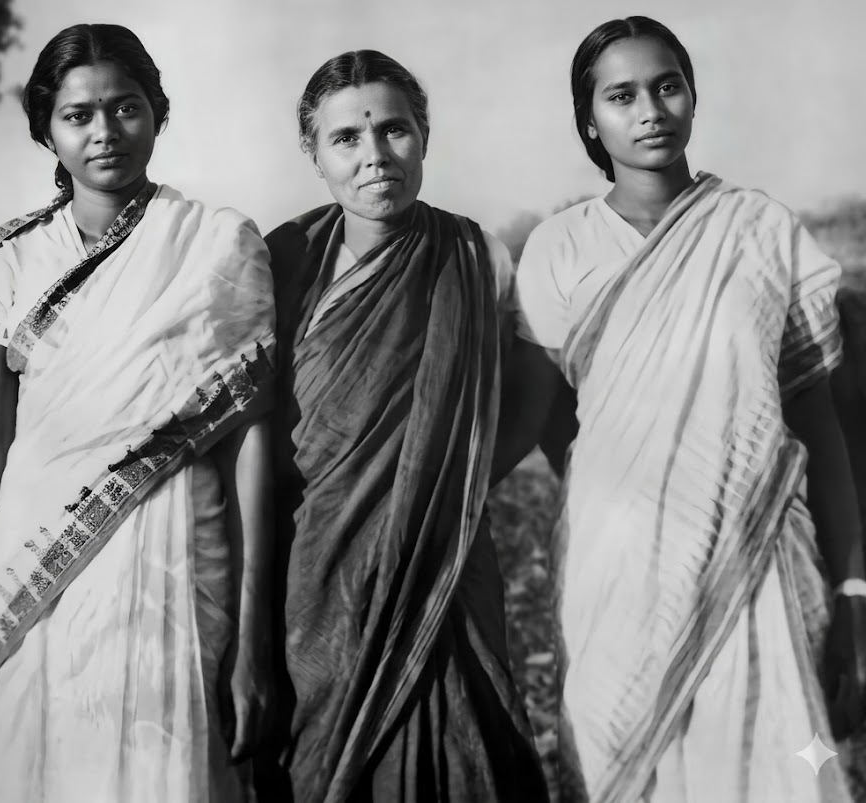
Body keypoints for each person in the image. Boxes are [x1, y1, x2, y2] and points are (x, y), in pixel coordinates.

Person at [0, 23, 275, 802]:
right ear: (47, 130)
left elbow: (248, 442)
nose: (105, 133)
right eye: (79, 115)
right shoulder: (11, 264)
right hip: (30, 571)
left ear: (157, 114)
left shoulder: (217, 245)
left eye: (126, 108)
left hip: (172, 562)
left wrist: (253, 638)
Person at [515, 16, 866, 802]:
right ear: (590, 119)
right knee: (619, 762)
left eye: (667, 86)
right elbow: (549, 418)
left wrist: (853, 592)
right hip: (617, 572)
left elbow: (821, 426)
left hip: (761, 558)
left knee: (782, 767)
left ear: (692, 98)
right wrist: (639, 477)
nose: (650, 110)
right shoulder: (560, 247)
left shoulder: (761, 231)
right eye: (622, 94)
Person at [262, 49, 553, 803]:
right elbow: (256, 421)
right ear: (314, 153)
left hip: (441, 554)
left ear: (424, 135)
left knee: (464, 751)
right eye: (347, 140)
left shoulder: (471, 253)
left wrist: (447, 478)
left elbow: (532, 392)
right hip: (315, 565)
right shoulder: (284, 260)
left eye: (394, 131)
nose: (374, 157)